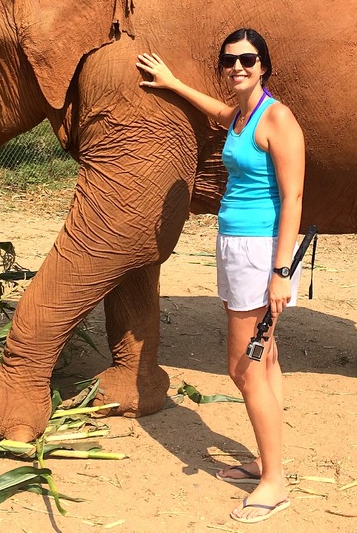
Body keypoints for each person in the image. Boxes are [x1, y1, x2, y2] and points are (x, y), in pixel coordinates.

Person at [136, 28, 305, 525]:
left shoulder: (277, 118)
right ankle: (266, 463)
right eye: (230, 60)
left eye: (248, 59)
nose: (238, 67)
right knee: (265, 360)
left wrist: (281, 272)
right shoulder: (242, 115)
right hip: (236, 246)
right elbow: (216, 112)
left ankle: (275, 483)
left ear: (264, 65)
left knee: (242, 367)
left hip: (260, 253)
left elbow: (294, 198)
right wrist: (171, 82)